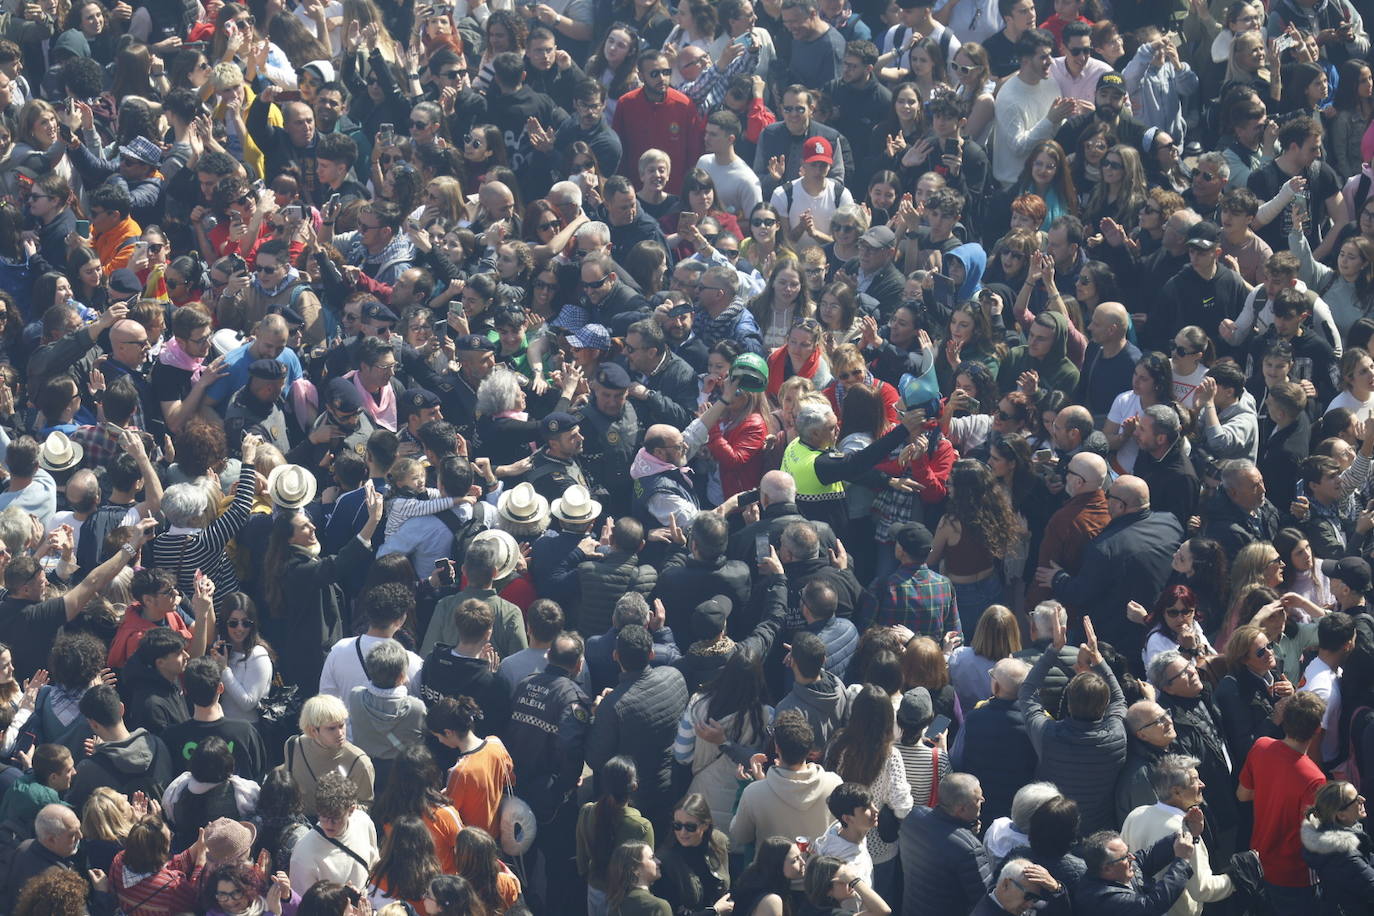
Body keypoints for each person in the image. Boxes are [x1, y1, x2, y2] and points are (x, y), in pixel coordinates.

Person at [1018, 616, 1127, 833]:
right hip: (1098, 829)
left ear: (1068, 701)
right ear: (1104, 705)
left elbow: (1027, 692)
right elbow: (1119, 698)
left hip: (1055, 827)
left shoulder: (1048, 734)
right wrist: (1098, 660)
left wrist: (1053, 649)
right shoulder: (1116, 736)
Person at [1239, 690, 1329, 913]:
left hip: (1259, 862)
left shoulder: (1261, 746)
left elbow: (1243, 794)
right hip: (1295, 874)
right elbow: (1314, 835)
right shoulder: (1315, 778)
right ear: (1317, 729)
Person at [1120, 754, 1235, 913]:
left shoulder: (1135, 815)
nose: (1202, 784)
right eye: (1194, 780)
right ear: (1176, 792)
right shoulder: (1183, 833)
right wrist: (1236, 878)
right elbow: (1202, 888)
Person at [898, 773, 994, 916]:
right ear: (961, 809)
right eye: (978, 799)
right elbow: (983, 898)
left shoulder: (914, 817)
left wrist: (965, 833)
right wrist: (967, 837)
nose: (983, 800)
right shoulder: (970, 850)